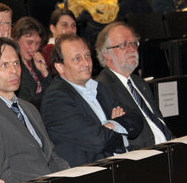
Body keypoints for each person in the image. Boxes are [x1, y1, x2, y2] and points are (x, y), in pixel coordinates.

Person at [0, 37, 68, 183]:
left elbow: (51, 156)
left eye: (16, 63)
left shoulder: (29, 108)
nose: (14, 71)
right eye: (4, 65)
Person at [40, 33, 143, 166]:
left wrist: (112, 124)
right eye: (77, 59)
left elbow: (136, 118)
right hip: (91, 173)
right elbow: (98, 140)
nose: (86, 63)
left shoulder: (97, 87)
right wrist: (121, 130)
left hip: (118, 163)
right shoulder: (56, 100)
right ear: (60, 67)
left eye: (87, 56)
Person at [95, 22, 172, 149]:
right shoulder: (102, 88)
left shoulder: (139, 83)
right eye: (124, 45)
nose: (132, 49)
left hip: (168, 147)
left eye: (133, 43)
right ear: (106, 54)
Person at [11, 16, 51, 106]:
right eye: (29, 42)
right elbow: (27, 101)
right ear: (16, 39)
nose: (34, 48)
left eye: (37, 43)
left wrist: (44, 72)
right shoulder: (13, 66)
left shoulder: (34, 62)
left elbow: (53, 92)